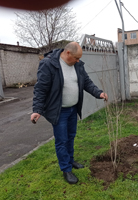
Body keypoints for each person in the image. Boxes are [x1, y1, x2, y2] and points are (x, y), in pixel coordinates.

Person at [30, 42, 108, 184]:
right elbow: (41, 89)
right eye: (76, 58)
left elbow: (87, 82)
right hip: (59, 111)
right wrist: (37, 110)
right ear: (67, 53)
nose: (79, 61)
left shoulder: (77, 65)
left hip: (73, 108)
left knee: (71, 136)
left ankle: (70, 161)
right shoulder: (49, 64)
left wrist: (99, 93)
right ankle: (66, 169)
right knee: (62, 140)